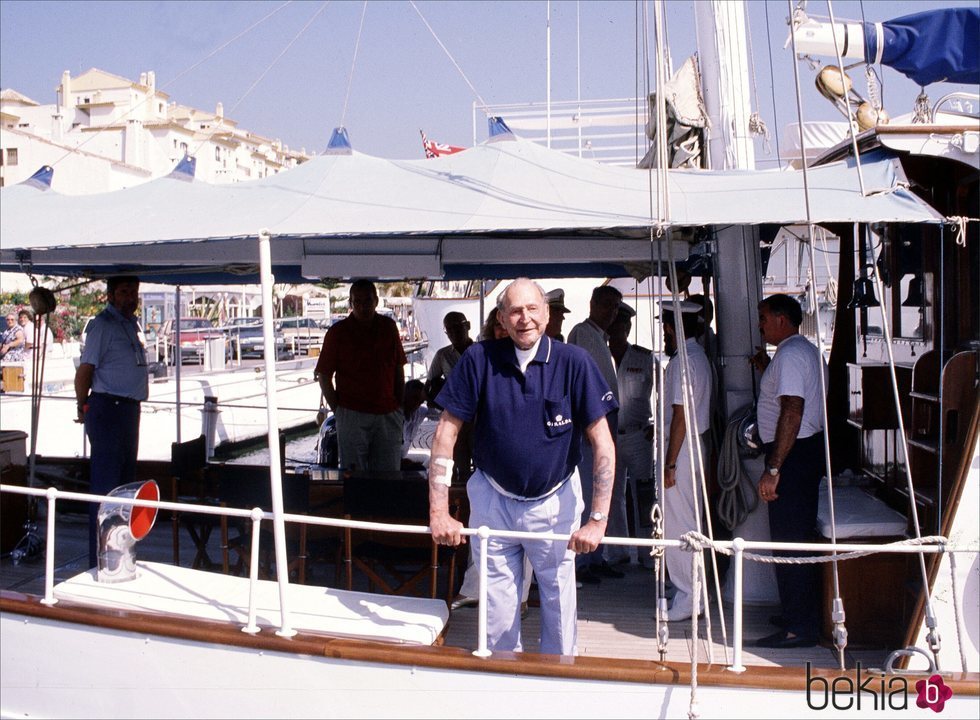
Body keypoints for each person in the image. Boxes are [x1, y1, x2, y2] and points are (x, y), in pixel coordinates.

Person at [428, 278, 618, 655]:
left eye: (533, 309)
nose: (524, 318)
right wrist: (438, 512)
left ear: (547, 315)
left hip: (555, 502)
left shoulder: (574, 362)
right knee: (497, 612)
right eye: (515, 310)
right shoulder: (479, 360)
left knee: (558, 605)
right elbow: (445, 436)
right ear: (501, 317)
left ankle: (559, 688)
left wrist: (597, 520)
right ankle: (504, 684)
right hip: (493, 503)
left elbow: (603, 445)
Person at [751, 293, 827, 649]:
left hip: (792, 458)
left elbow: (793, 411)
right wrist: (767, 371)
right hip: (801, 454)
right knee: (791, 538)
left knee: (790, 541)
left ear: (782, 319)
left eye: (764, 317)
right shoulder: (798, 351)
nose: (761, 324)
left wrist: (774, 467)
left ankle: (800, 627)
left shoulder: (793, 355)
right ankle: (796, 612)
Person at [74, 275, 149, 568]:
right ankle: (100, 559)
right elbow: (85, 371)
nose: (130, 298)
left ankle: (120, 553)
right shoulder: (103, 327)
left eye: (134, 292)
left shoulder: (130, 325)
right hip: (108, 410)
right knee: (106, 489)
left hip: (128, 411)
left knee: (125, 487)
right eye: (124, 292)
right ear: (110, 295)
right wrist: (83, 405)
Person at [315, 279, 407, 473]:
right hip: (352, 414)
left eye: (367, 301)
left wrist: (399, 406)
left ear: (376, 301)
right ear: (351, 303)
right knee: (354, 476)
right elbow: (324, 376)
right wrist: (339, 411)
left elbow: (399, 368)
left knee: (389, 476)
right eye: (358, 302)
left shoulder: (389, 327)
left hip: (388, 414)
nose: (363, 306)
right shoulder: (337, 333)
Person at [660, 299, 713, 622]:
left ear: (671, 328)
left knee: (681, 524)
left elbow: (680, 414)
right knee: (688, 520)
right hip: (692, 447)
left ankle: (688, 597)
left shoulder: (683, 362)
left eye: (664, 328)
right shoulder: (697, 357)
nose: (664, 334)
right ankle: (690, 591)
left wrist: (669, 463)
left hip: (682, 450)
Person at [567, 284, 623, 583]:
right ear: (592, 304)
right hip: (590, 426)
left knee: (605, 494)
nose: (611, 313)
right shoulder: (583, 334)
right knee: (587, 494)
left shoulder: (602, 338)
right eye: (607, 306)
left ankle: (596, 556)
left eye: (615, 308)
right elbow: (583, 386)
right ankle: (582, 563)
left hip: (606, 424)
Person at [607, 302, 655, 564]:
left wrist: (658, 424)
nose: (618, 330)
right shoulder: (599, 356)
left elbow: (667, 391)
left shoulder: (644, 358)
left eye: (623, 326)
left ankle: (648, 554)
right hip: (608, 436)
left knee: (643, 493)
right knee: (610, 496)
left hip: (639, 435)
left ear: (628, 328)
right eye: (615, 325)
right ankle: (618, 553)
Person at [425, 311, 473, 408]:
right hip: (455, 411)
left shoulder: (482, 351)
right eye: (449, 329)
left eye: (457, 327)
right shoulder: (442, 355)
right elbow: (428, 387)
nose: (454, 333)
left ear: (468, 326)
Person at [401, 379, 429, 467]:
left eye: (420, 402)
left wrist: (429, 399)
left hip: (402, 457)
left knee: (428, 458)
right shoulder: (395, 415)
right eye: (414, 398)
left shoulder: (419, 412)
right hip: (391, 461)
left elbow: (440, 412)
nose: (416, 404)